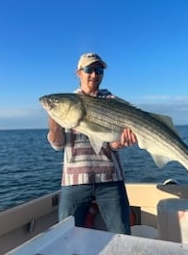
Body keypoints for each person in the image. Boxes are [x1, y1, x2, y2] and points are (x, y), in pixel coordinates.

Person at [47, 52, 137, 234]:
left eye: (99, 70)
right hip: (75, 180)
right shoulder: (67, 103)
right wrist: (54, 127)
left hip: (111, 180)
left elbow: (113, 145)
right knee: (66, 235)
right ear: (78, 73)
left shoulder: (111, 101)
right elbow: (58, 145)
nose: (94, 75)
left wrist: (120, 143)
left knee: (122, 235)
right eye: (89, 69)